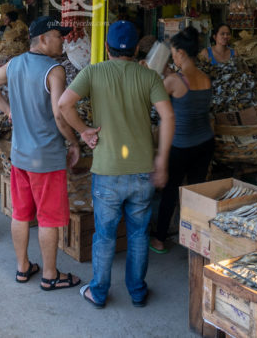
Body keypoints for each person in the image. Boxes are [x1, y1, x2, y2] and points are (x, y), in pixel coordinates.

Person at [58, 20, 175, 309]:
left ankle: (98, 291)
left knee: (105, 235)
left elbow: (63, 104)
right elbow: (169, 117)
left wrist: (83, 131)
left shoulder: (93, 72)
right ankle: (137, 291)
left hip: (108, 171)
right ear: (136, 49)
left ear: (106, 47)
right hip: (142, 171)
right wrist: (161, 159)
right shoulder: (150, 78)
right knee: (138, 234)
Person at [0, 16, 82, 290]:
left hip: (20, 156)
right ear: (44, 39)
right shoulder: (54, 70)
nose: (63, 40)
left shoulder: (14, 64)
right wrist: (74, 142)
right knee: (48, 218)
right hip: (46, 158)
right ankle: (50, 275)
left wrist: (8, 109)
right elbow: (60, 115)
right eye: (59, 36)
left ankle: (22, 267)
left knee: (21, 214)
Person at [151, 27, 213, 254]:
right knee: (196, 193)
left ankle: (158, 239)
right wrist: (169, 72)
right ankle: (195, 239)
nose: (173, 57)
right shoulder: (205, 79)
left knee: (170, 192)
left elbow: (153, 96)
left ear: (182, 54)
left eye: (174, 53)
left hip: (180, 146)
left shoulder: (174, 82)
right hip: (205, 143)